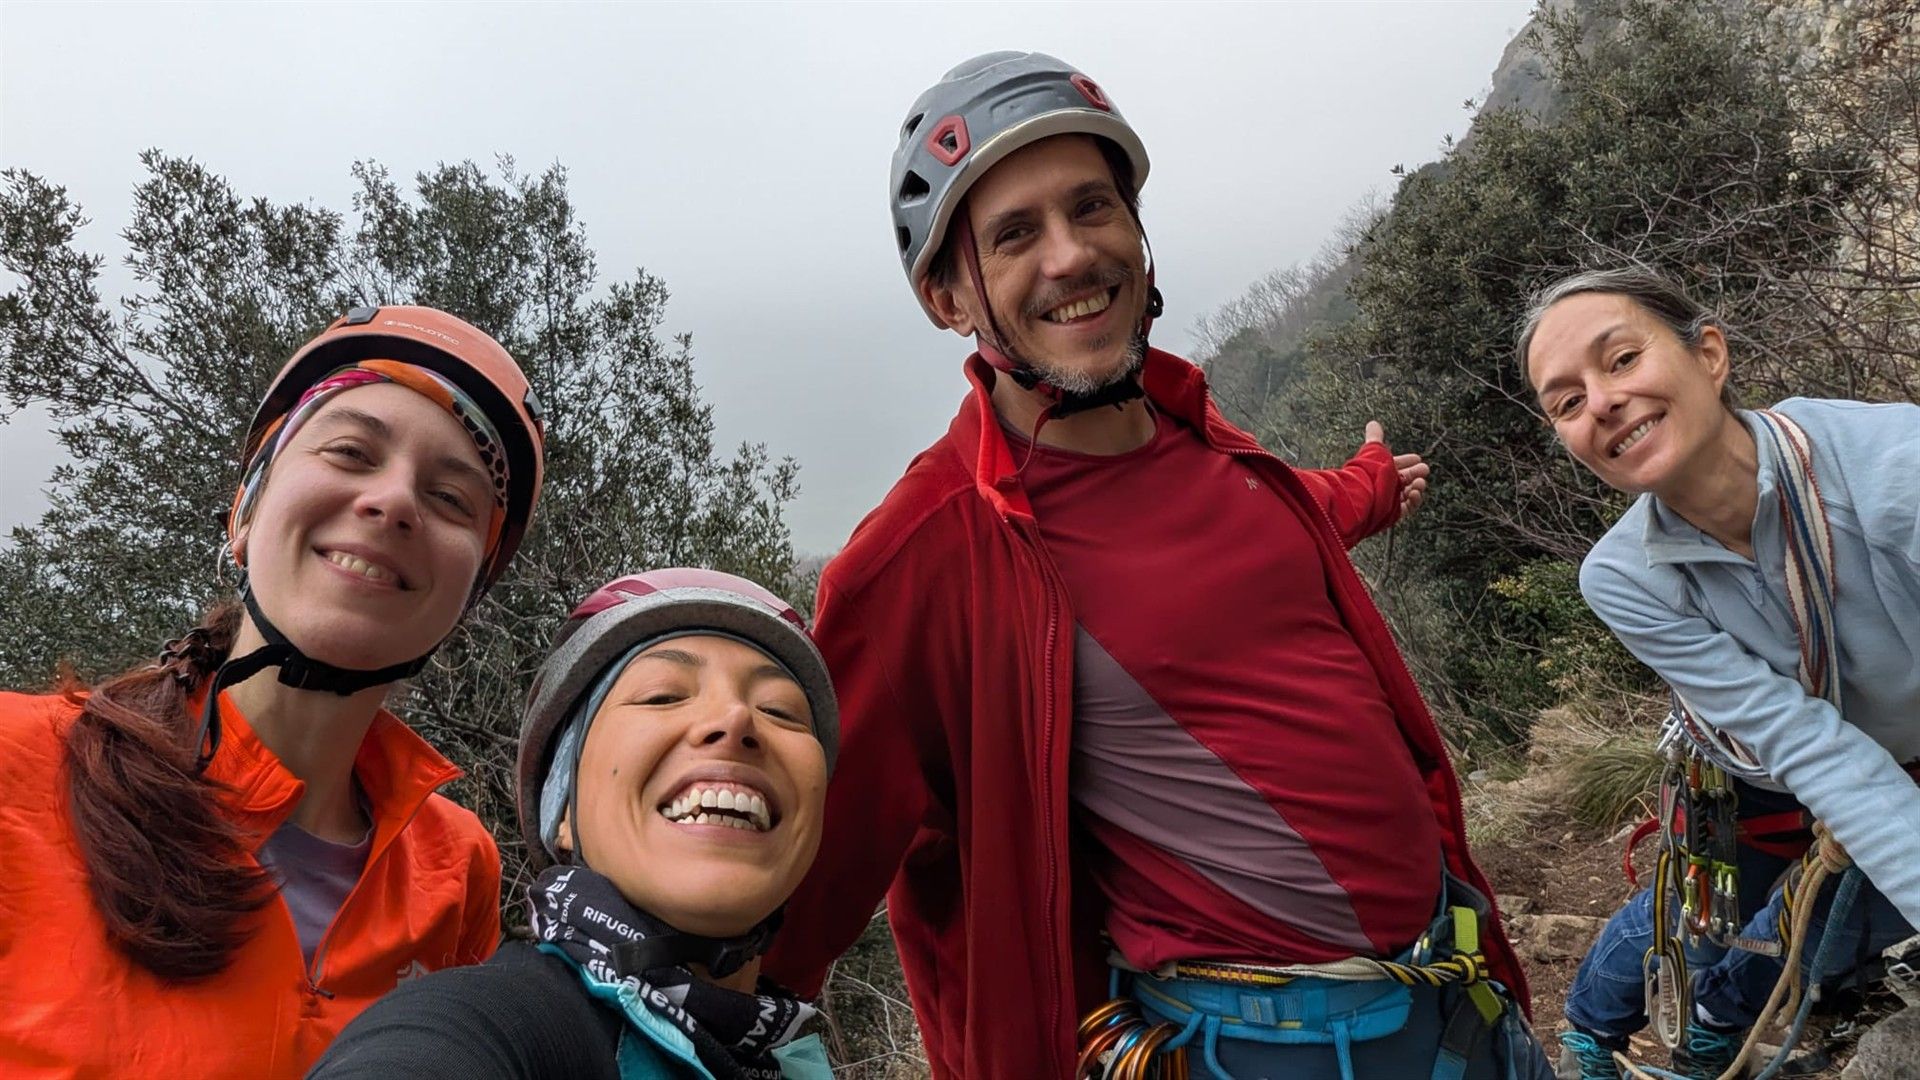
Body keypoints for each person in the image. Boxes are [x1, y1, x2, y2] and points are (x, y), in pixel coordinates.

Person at [760, 52, 1550, 1079]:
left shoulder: (1217, 450)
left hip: (1461, 996)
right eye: (1014, 234)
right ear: (948, 298)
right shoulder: (926, 554)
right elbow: (796, 889)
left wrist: (1375, 482)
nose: (1070, 254)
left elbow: (1298, 525)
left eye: (1092, 207)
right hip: (1244, 1049)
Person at [0, 306, 546, 1078]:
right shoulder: (19, 764)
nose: (394, 502)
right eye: (351, 452)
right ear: (246, 513)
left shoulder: (460, 870)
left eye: (453, 498)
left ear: (469, 595)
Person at [1518, 265, 1920, 1080]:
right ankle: (1591, 1031)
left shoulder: (1888, 465)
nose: (1602, 402)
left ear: (1709, 353)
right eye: (1567, 402)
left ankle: (1715, 1023)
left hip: (1892, 750)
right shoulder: (1625, 575)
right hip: (1745, 769)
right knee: (1702, 914)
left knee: (1842, 910)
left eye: (1622, 359)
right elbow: (1798, 739)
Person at [309, 568, 837, 1079]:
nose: (737, 719)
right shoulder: (495, 1025)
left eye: (781, 711)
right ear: (563, 810)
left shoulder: (783, 1060)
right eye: (663, 695)